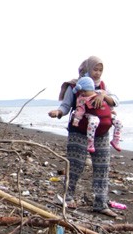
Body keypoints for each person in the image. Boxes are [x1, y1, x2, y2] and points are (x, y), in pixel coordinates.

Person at [48, 56, 120, 217]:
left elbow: (115, 100)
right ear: (87, 69)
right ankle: (68, 197)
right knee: (75, 166)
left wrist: (103, 96)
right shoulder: (75, 85)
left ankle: (100, 203)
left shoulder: (103, 86)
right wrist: (58, 112)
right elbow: (66, 105)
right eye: (95, 69)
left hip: (101, 132)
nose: (98, 73)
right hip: (79, 131)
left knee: (102, 167)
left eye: (100, 70)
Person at [70, 76, 123, 153]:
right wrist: (76, 120)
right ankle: (90, 142)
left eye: (85, 91)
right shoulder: (81, 99)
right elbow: (80, 110)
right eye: (81, 92)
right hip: (91, 114)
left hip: (105, 114)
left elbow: (107, 103)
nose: (83, 93)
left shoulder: (100, 93)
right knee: (94, 122)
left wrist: (111, 110)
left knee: (119, 123)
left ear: (91, 88)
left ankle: (116, 140)